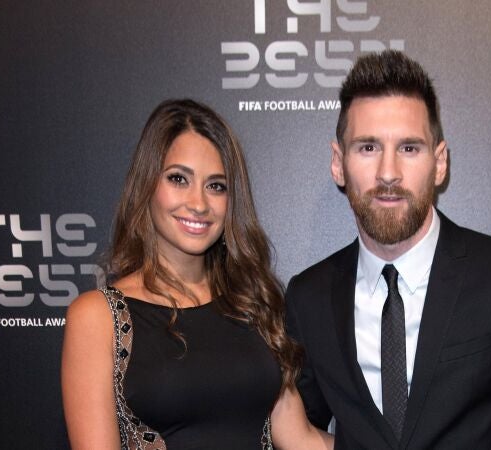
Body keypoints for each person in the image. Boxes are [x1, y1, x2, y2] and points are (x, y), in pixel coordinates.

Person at [285, 50, 491, 449]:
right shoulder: (309, 297)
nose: (388, 173)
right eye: (368, 148)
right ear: (338, 162)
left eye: (409, 148)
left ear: (439, 162)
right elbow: (300, 430)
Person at [61, 99, 332, 449]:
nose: (199, 204)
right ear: (146, 185)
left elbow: (301, 439)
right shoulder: (98, 317)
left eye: (216, 186)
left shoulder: (253, 305)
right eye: (178, 179)